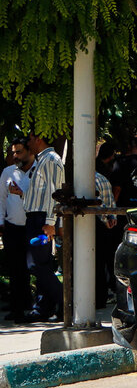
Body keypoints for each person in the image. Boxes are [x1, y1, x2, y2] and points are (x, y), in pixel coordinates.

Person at [18, 133, 64, 323]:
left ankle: (65, 303)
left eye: (29, 139)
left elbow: (56, 192)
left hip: (41, 220)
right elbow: (41, 193)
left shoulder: (50, 159)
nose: (27, 143)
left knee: (36, 265)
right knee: (41, 264)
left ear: (38, 139)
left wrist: (51, 222)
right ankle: (43, 308)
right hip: (36, 218)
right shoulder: (42, 160)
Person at [2, 139, 33, 321]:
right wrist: (1, 221)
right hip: (12, 227)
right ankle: (17, 308)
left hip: (32, 225)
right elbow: (1, 198)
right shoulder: (7, 172)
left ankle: (37, 305)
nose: (15, 156)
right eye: (13, 152)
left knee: (34, 266)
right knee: (15, 269)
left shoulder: (38, 171)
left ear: (29, 151)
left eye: (19, 152)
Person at [95, 141, 121, 308]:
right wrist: (111, 219)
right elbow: (111, 202)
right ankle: (103, 296)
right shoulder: (103, 179)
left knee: (96, 264)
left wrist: (105, 219)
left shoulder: (89, 181)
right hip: (108, 225)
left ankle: (98, 298)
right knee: (106, 261)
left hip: (97, 224)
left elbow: (98, 203)